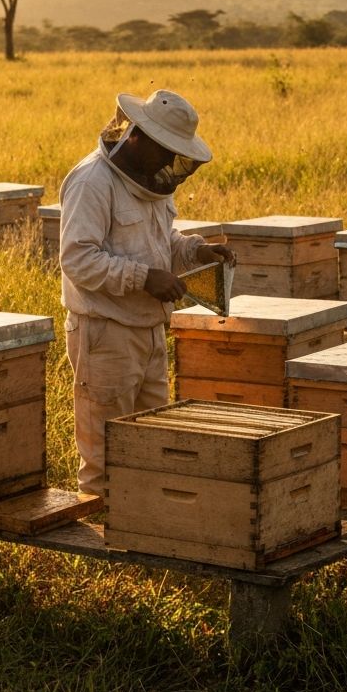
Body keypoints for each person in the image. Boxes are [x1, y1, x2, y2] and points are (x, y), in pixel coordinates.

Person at [59, 89, 234, 495]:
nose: (170, 162)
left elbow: (160, 241)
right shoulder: (92, 182)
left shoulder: (148, 181)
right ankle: (104, 548)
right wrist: (144, 278)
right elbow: (78, 260)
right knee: (105, 452)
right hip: (105, 334)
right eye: (165, 150)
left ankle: (142, 535)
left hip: (150, 330)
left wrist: (195, 250)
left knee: (151, 443)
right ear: (138, 136)